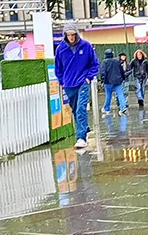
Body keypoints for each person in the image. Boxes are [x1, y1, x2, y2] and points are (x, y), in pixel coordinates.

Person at [53, 22, 99, 150]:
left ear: (76, 34)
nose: (71, 37)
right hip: (68, 84)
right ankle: (84, 128)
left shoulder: (86, 46)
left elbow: (94, 64)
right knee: (74, 109)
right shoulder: (60, 49)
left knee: (81, 108)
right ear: (65, 35)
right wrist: (62, 81)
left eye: (73, 35)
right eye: (68, 35)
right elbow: (58, 68)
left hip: (83, 82)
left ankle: (81, 137)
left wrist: (89, 77)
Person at [100, 50, 127, 115]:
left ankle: (107, 109)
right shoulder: (117, 61)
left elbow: (103, 72)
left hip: (108, 81)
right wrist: (123, 78)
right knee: (120, 94)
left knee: (108, 95)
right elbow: (121, 71)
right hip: (118, 81)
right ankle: (123, 108)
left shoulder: (105, 62)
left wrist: (102, 80)